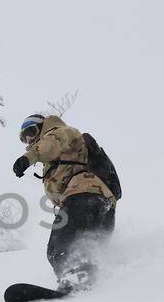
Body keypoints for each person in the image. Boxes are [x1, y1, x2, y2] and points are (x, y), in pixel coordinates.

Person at [12, 114, 118, 292]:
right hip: (101, 206)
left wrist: (27, 158)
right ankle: (90, 279)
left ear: (43, 126)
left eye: (31, 131)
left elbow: (49, 144)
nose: (29, 138)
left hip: (84, 197)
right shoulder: (59, 154)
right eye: (24, 138)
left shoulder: (60, 133)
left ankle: (77, 275)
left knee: (59, 247)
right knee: (88, 246)